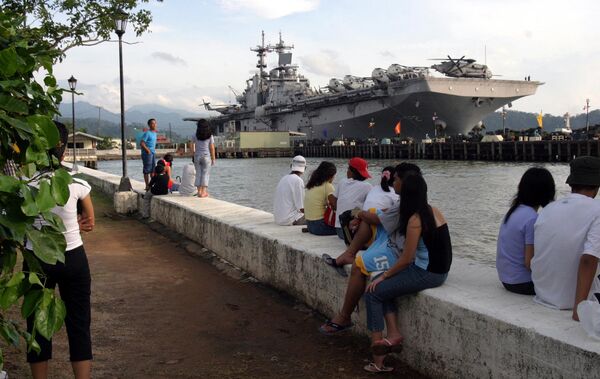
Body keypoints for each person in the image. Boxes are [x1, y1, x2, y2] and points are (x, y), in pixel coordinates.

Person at [25, 121, 95, 379]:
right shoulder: (75, 181)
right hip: (73, 256)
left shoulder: (25, 183)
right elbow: (90, 221)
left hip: (37, 259)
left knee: (37, 326)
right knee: (79, 325)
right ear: (63, 150)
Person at [363, 173, 452, 373]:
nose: (394, 184)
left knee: (372, 291)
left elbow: (406, 258)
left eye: (397, 182)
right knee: (381, 287)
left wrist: (385, 275)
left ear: (407, 193)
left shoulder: (415, 219)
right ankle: (393, 334)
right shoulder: (433, 210)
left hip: (427, 272)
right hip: (438, 270)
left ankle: (378, 358)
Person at [320, 163, 421, 332]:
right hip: (393, 241)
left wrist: (359, 214)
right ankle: (349, 253)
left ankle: (345, 317)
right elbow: (387, 213)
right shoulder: (408, 200)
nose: (393, 183)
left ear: (405, 183)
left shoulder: (403, 203)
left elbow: (382, 218)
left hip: (399, 251)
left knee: (359, 266)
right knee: (370, 215)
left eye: (396, 180)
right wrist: (363, 215)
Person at [531, 156, 600, 320]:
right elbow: (589, 259)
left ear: (571, 183)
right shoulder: (597, 210)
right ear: (597, 186)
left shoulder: (548, 209)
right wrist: (579, 309)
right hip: (571, 300)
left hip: (542, 294)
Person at [496, 167, 555, 295]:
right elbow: (530, 263)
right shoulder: (532, 218)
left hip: (506, 279)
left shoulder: (514, 211)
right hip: (523, 283)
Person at [330, 157, 372, 240]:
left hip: (339, 230)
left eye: (348, 169)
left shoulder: (342, 182)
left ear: (352, 171)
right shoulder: (367, 186)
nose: (347, 171)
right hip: (352, 231)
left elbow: (333, 199)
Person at [304, 161, 337, 235]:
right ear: (330, 176)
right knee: (343, 229)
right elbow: (335, 206)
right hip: (320, 226)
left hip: (309, 225)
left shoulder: (312, 184)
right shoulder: (327, 186)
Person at [273, 156, 306, 226]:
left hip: (278, 219)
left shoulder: (283, 178)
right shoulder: (298, 180)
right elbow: (301, 208)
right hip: (290, 219)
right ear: (304, 168)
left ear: (291, 166)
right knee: (319, 218)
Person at [192, 119, 216, 198]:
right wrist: (213, 158)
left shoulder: (195, 135)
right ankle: (204, 192)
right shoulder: (210, 135)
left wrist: (193, 154)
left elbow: (191, 146)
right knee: (205, 174)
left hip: (197, 156)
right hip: (206, 156)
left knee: (198, 173)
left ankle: (199, 192)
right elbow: (212, 148)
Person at [140, 118, 158, 189]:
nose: (154, 125)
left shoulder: (155, 133)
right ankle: (147, 185)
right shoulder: (147, 133)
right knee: (147, 170)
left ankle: (151, 185)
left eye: (155, 123)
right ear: (149, 125)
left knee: (153, 170)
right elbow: (142, 143)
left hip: (153, 153)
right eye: (153, 123)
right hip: (147, 154)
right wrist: (147, 150)